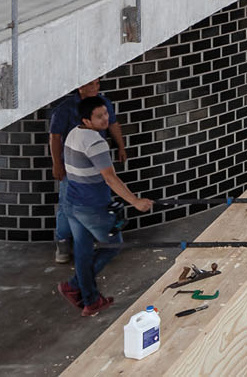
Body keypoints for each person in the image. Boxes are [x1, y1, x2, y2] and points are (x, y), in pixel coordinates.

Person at [58, 95, 152, 317]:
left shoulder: (73, 133)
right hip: (92, 206)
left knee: (83, 251)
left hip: (73, 203)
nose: (105, 119)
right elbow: (110, 178)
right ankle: (75, 286)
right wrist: (135, 201)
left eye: (106, 114)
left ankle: (88, 299)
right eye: (99, 116)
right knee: (113, 245)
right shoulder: (95, 142)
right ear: (86, 120)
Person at [49, 80, 126, 263]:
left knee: (92, 204)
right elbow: (55, 137)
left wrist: (121, 147)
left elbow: (113, 124)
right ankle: (63, 243)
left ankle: (86, 242)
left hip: (96, 164)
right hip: (73, 166)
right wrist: (57, 164)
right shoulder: (65, 109)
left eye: (97, 84)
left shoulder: (103, 103)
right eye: (90, 85)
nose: (95, 89)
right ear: (80, 86)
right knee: (67, 204)